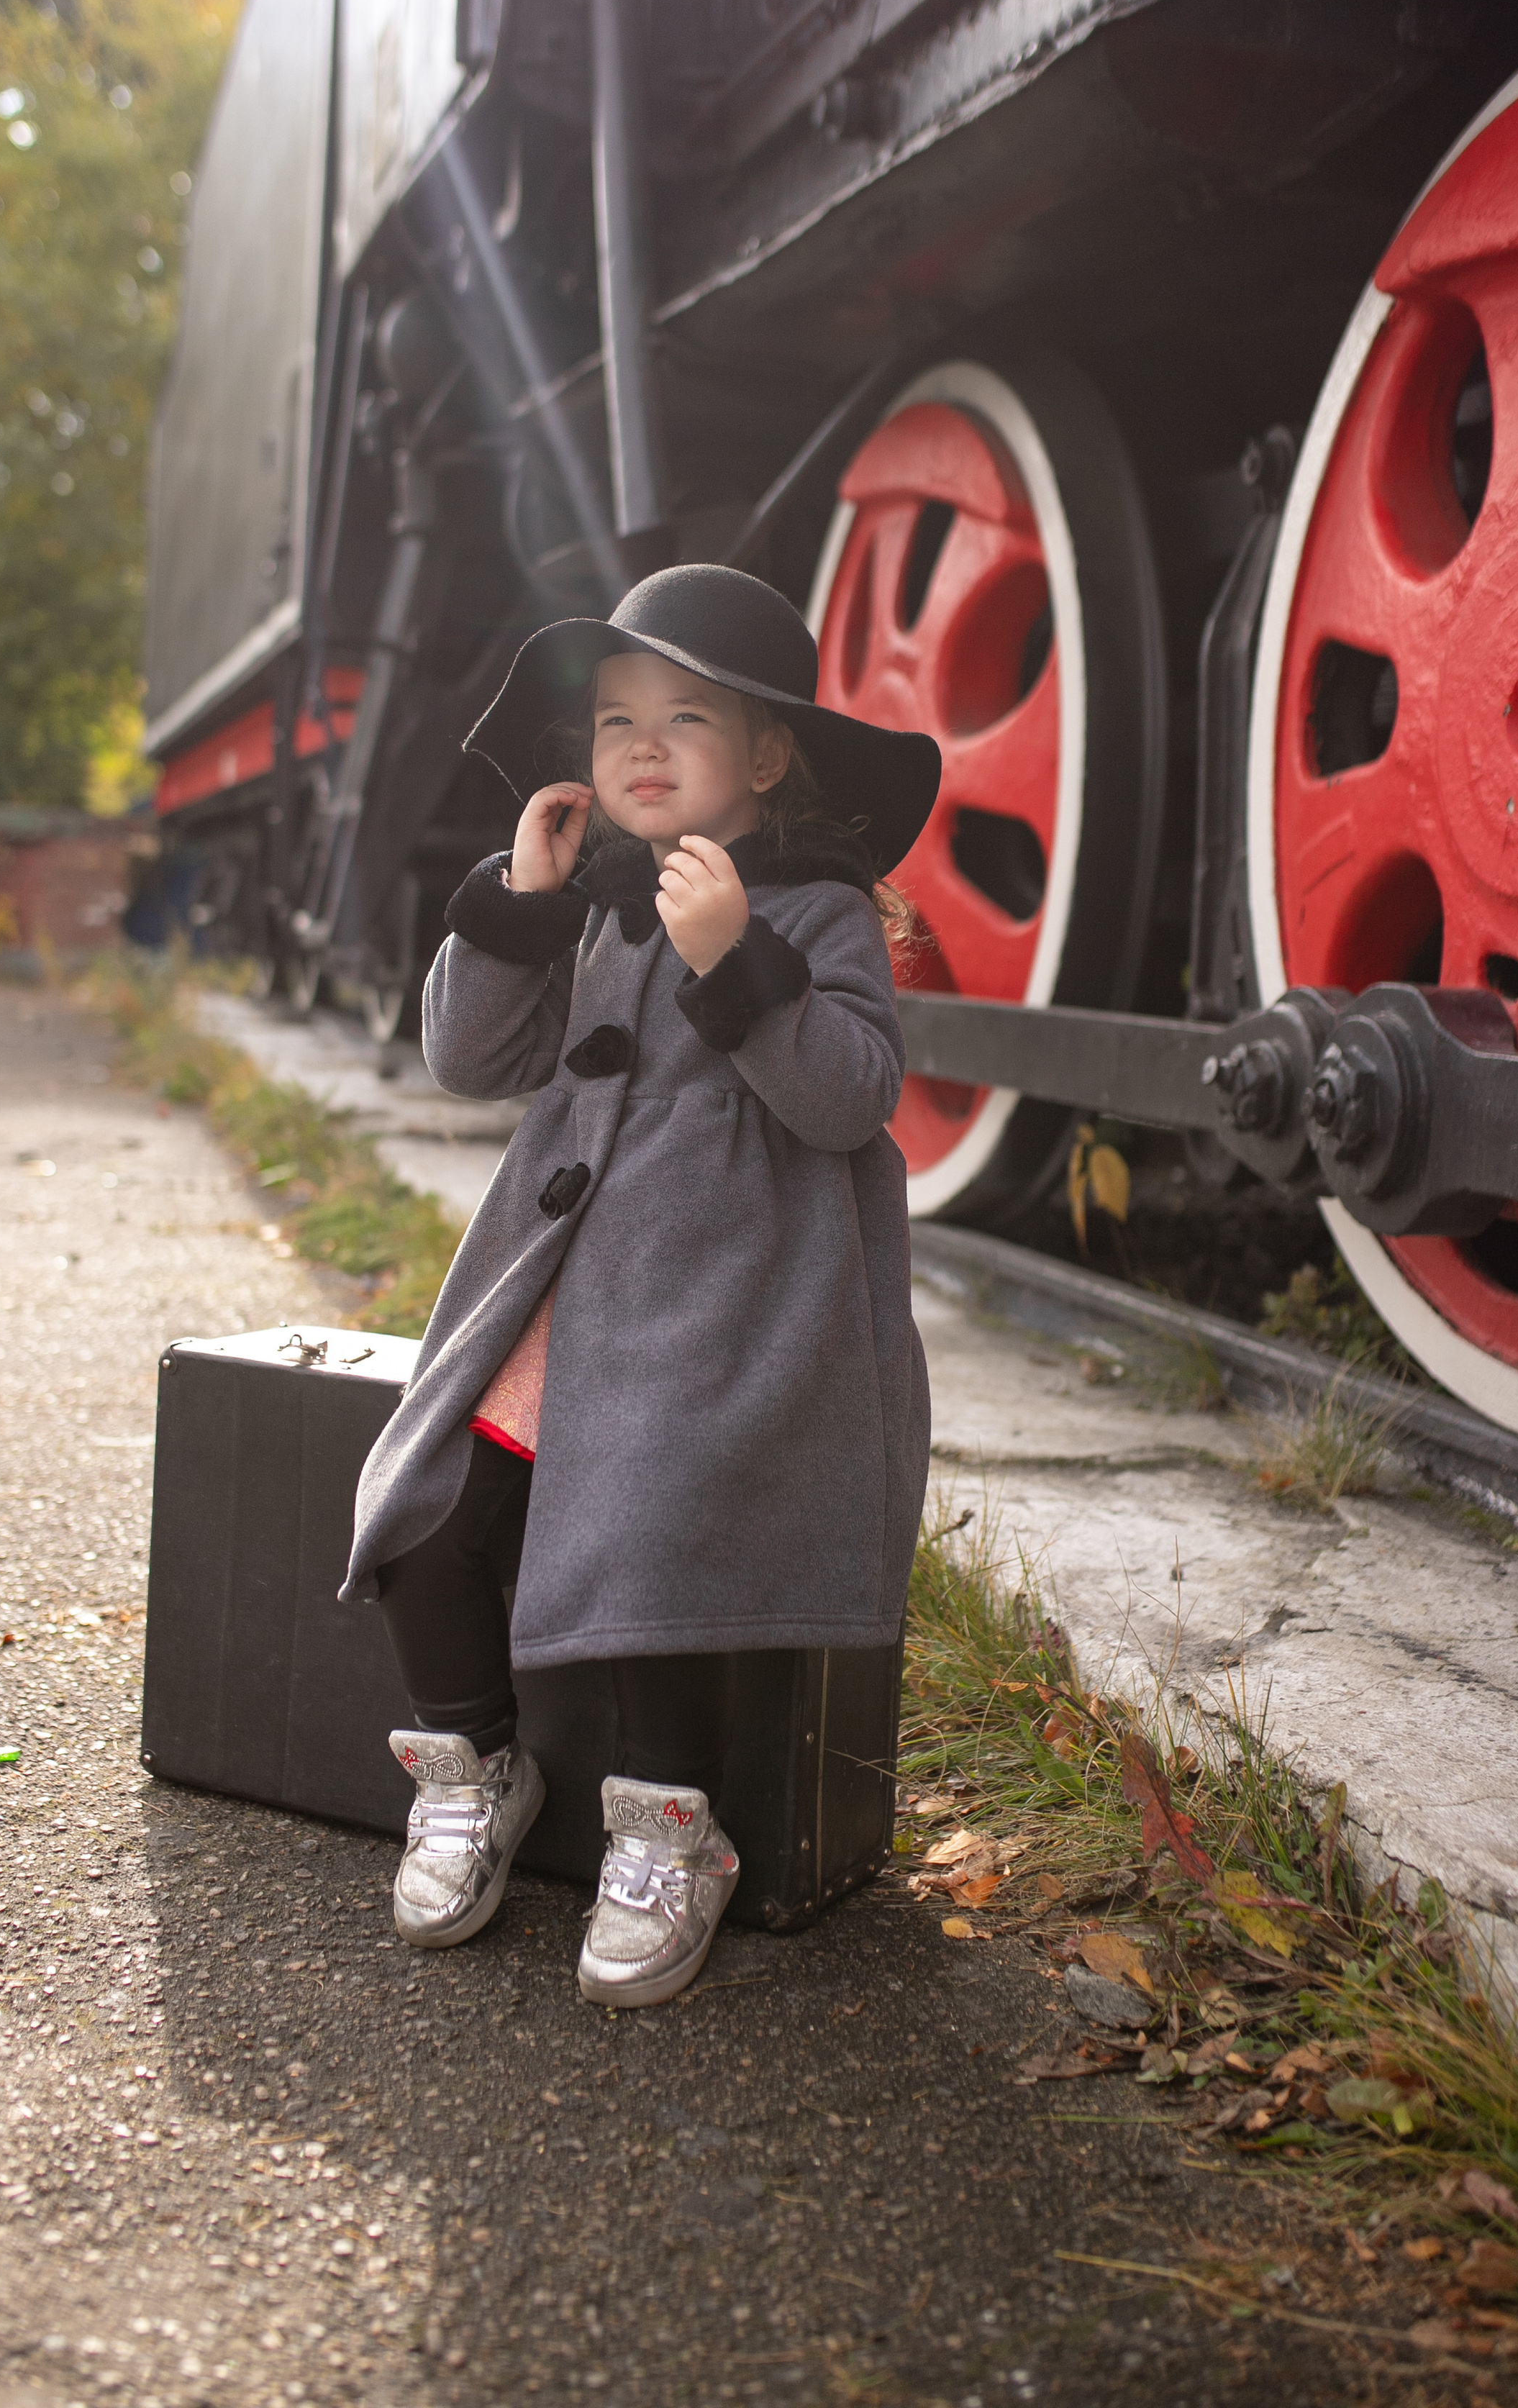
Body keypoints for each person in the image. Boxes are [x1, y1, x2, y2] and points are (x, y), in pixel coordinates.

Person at [340, 562, 941, 2007]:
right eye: (614, 723)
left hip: (716, 1303)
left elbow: (849, 1099)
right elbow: (469, 1064)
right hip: (559, 1287)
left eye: (685, 717)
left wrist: (740, 962)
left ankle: (671, 1833)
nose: (643, 749)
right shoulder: (591, 902)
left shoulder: (814, 907)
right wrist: (518, 907)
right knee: (424, 1513)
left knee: (654, 1533)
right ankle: (475, 1769)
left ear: (768, 755)